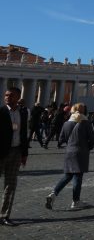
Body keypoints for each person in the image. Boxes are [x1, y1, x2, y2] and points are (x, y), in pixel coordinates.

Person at [45, 103, 94, 210]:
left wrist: (70, 143)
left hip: (69, 151)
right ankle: (76, 201)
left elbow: (61, 139)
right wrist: (89, 147)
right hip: (81, 152)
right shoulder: (85, 122)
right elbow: (92, 138)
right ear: (83, 111)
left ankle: (53, 194)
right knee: (78, 176)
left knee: (68, 175)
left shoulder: (66, 123)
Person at [0, 87, 29, 226]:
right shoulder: (1, 112)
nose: (7, 97)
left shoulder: (22, 113)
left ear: (18, 97)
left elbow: (23, 133)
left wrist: (24, 154)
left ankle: (4, 215)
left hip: (16, 152)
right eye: (6, 95)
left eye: (11, 95)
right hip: (1, 152)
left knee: (10, 185)